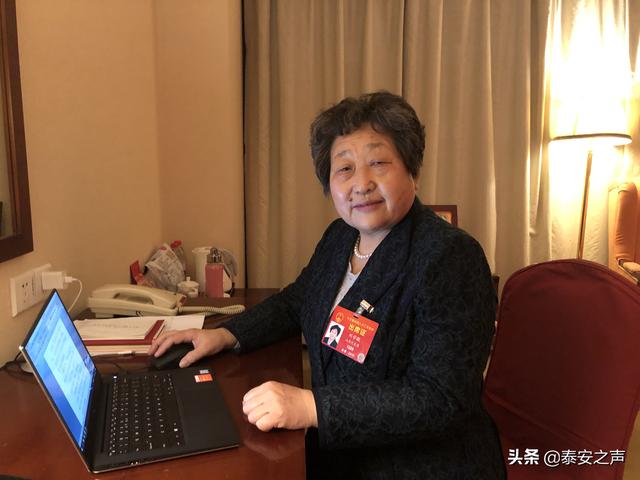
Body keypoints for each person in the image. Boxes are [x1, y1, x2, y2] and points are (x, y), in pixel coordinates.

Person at [149, 91, 506, 479]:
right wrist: (225, 335)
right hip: (340, 454)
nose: (362, 183)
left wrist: (311, 406)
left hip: (419, 466)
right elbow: (297, 301)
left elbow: (440, 398)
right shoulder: (341, 237)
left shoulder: (449, 256)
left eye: (378, 163)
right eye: (345, 168)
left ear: (412, 172)